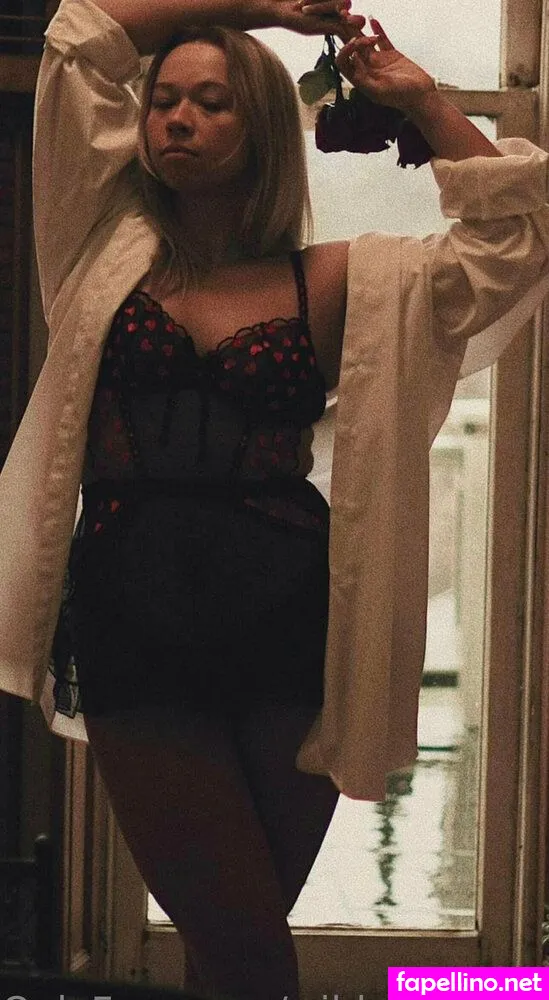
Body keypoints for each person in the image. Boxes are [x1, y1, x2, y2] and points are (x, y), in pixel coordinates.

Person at [2, 0, 549, 997]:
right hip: (134, 614)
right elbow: (79, 40)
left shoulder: (344, 281)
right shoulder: (98, 249)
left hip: (289, 622)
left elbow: (516, 234)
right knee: (251, 955)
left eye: (212, 102)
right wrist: (256, 10)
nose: (177, 118)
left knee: (234, 954)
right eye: (165, 100)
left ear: (260, 127)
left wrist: (422, 101)